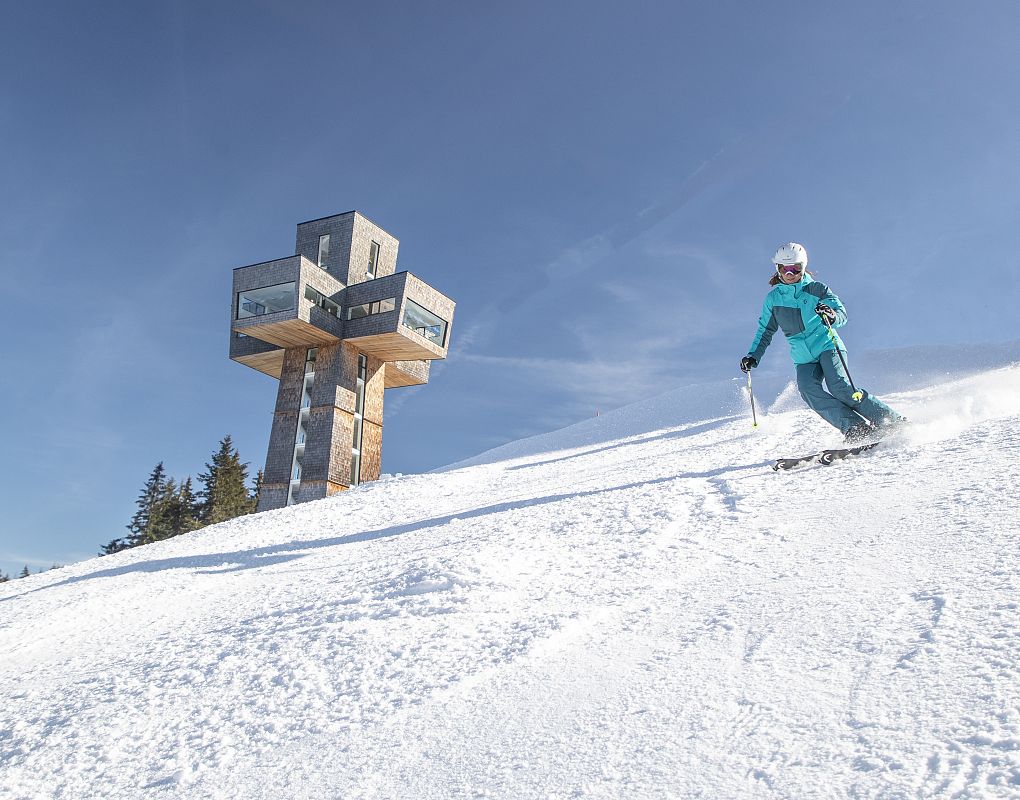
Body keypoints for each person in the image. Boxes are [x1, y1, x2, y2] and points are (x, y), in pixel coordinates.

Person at [740, 242, 905, 443]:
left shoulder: (817, 289)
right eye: (785, 268)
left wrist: (832, 315)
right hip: (802, 357)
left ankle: (889, 420)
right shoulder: (773, 299)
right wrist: (753, 356)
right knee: (809, 391)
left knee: (840, 388)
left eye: (795, 268)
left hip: (827, 346)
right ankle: (855, 428)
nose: (790, 273)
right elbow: (765, 331)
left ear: (802, 267)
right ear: (778, 269)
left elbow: (841, 313)